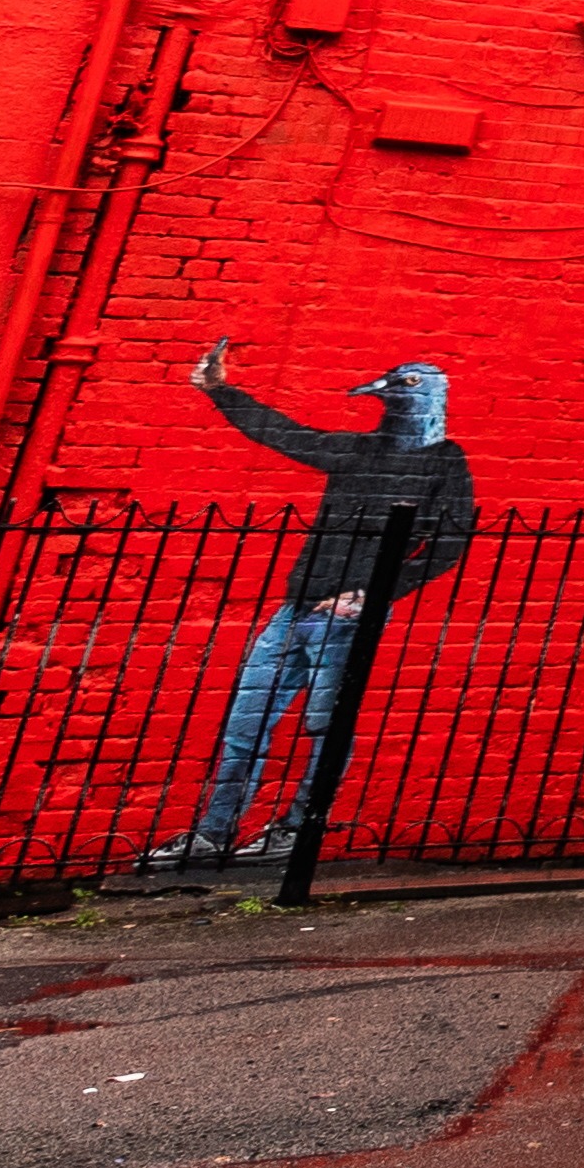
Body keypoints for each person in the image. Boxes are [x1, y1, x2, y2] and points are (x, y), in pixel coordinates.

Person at [144, 343, 481, 870]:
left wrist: (376, 593)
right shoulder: (359, 452)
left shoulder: (445, 461)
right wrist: (220, 390)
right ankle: (214, 833)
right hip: (295, 611)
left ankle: (300, 828)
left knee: (327, 724)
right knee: (246, 724)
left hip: (352, 619)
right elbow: (286, 436)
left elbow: (450, 542)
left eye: (406, 388)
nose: (392, 396)